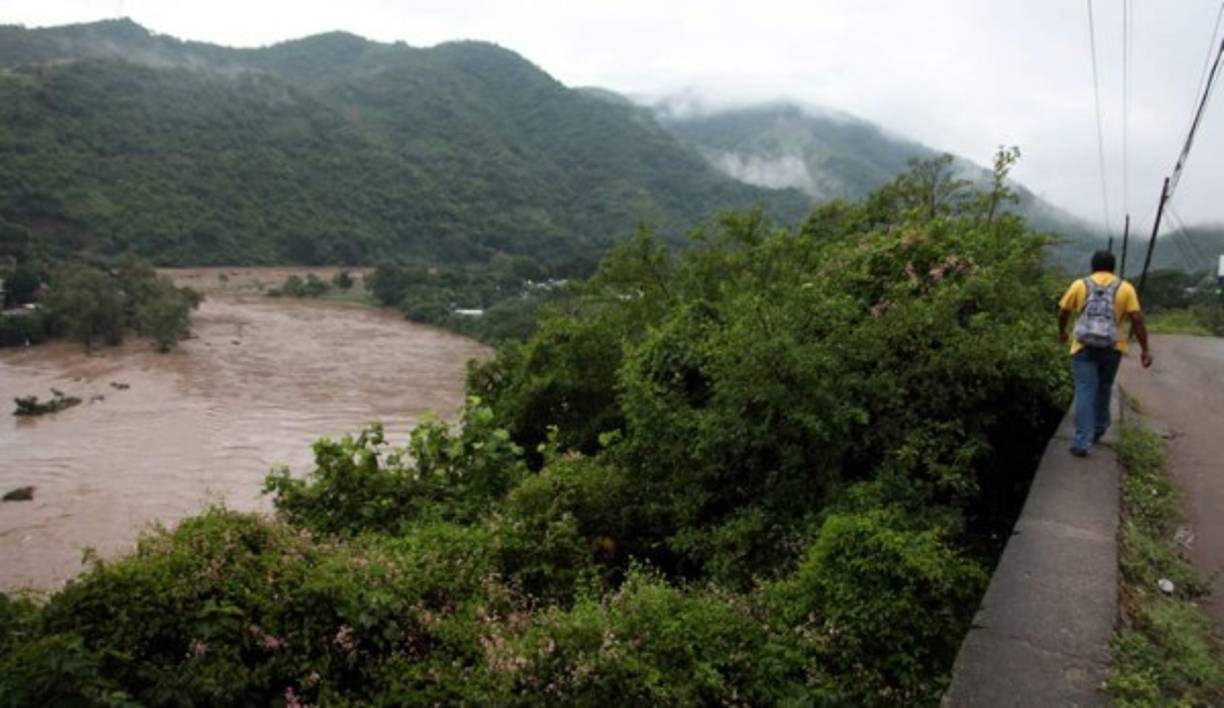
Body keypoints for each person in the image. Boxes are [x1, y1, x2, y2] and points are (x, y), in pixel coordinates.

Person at [1057, 250, 1152, 457]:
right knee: (1104, 387)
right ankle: (1099, 428)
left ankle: (1081, 442)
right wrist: (1145, 349)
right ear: (1113, 268)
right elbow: (1137, 319)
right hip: (1113, 347)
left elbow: (1063, 311)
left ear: (1092, 266)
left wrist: (1062, 332)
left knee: (1085, 390)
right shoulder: (1125, 288)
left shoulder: (1079, 285)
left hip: (1082, 346)